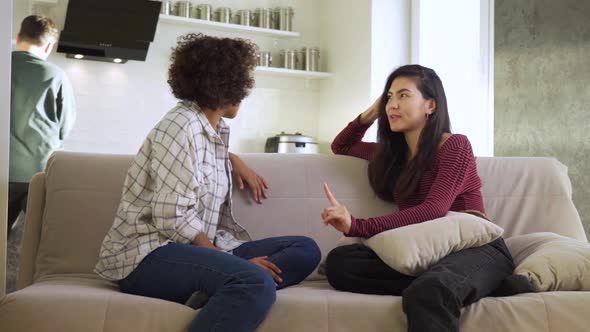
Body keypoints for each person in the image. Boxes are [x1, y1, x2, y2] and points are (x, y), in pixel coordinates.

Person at [94, 33, 321, 332]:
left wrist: (232, 158)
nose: (245, 91)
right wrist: (225, 261)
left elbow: (198, 160)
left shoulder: (212, 130)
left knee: (306, 249)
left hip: (195, 252)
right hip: (147, 257)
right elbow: (171, 216)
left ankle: (216, 288)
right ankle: (232, 283)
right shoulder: (180, 126)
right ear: (225, 85)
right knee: (255, 282)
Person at [321, 64, 532, 332]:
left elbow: (434, 209)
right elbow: (342, 146)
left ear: (430, 105)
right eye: (389, 97)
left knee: (430, 291)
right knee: (341, 265)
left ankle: (468, 281)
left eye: (404, 96)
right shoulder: (392, 155)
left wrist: (357, 226)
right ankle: (483, 286)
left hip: (474, 247)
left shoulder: (455, 145)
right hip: (425, 251)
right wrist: (375, 111)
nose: (393, 105)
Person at [9, 15, 76, 237]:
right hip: (38, 170)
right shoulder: (56, 75)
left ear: (18, 37)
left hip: (3, 169)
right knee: (37, 237)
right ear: (49, 45)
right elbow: (65, 126)